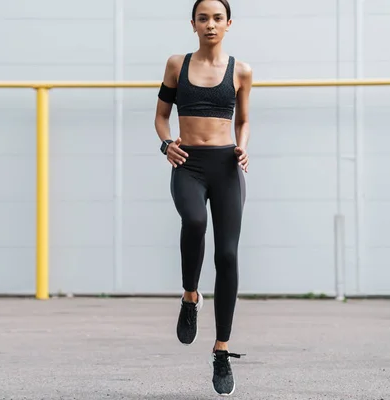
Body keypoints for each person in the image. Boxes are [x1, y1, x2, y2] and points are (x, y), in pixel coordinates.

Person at [153, 0, 252, 396]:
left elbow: (243, 120)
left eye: (217, 18)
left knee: (227, 255)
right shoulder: (177, 65)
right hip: (189, 164)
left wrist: (243, 147)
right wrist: (166, 146)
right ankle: (190, 295)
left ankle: (222, 350)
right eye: (202, 18)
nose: (210, 24)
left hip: (227, 167)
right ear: (192, 24)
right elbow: (161, 116)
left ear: (229, 24)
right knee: (194, 221)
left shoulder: (241, 71)